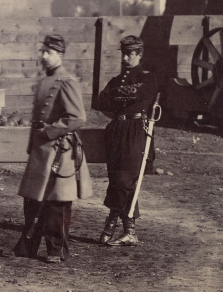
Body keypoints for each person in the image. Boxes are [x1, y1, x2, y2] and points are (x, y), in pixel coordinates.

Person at [14, 35, 93, 263]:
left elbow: (77, 117)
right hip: (41, 150)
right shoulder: (45, 81)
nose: (43, 56)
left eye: (48, 52)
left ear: (60, 54)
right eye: (42, 51)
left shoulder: (66, 81)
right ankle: (28, 245)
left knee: (57, 202)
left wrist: (50, 131)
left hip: (59, 150)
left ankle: (55, 250)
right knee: (32, 200)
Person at [92, 35, 159, 246]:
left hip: (135, 130)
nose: (126, 57)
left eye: (130, 53)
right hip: (116, 131)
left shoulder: (148, 78)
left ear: (139, 54)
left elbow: (140, 96)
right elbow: (102, 100)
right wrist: (123, 94)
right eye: (124, 53)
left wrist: (118, 95)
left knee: (123, 181)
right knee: (120, 181)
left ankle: (110, 223)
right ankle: (130, 231)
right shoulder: (116, 80)